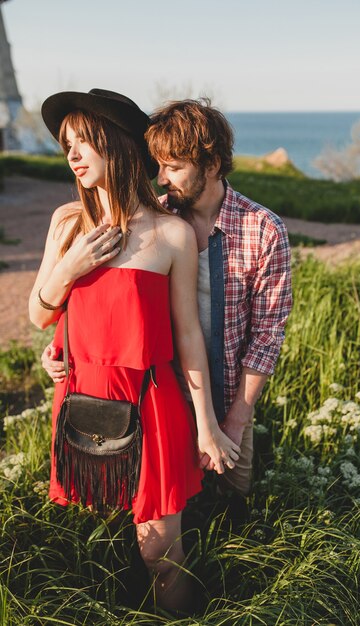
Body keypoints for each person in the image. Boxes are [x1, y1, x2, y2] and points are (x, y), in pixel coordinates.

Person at [29, 89, 240, 613]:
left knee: (161, 554)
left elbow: (188, 335)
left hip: (150, 404)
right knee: (105, 542)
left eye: (85, 142)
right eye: (67, 144)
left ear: (118, 146)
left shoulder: (171, 233)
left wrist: (207, 423)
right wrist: (70, 267)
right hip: (82, 400)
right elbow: (39, 314)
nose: (73, 155)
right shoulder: (66, 223)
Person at [41, 97, 292, 499]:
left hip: (227, 396)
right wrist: (59, 346)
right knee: (165, 506)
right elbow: (102, 300)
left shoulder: (263, 230)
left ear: (211, 165)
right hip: (159, 395)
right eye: (158, 166)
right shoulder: (153, 219)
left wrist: (233, 422)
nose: (161, 180)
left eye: (173, 168)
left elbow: (267, 337)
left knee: (232, 501)